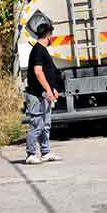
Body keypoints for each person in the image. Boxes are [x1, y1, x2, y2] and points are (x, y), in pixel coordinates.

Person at [24, 23, 63, 164]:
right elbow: (38, 71)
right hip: (36, 95)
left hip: (43, 94)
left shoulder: (42, 50)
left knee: (45, 125)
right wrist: (47, 89)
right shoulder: (38, 50)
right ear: (47, 34)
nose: (51, 37)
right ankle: (30, 154)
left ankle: (45, 152)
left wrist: (52, 88)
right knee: (37, 125)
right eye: (51, 34)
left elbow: (48, 72)